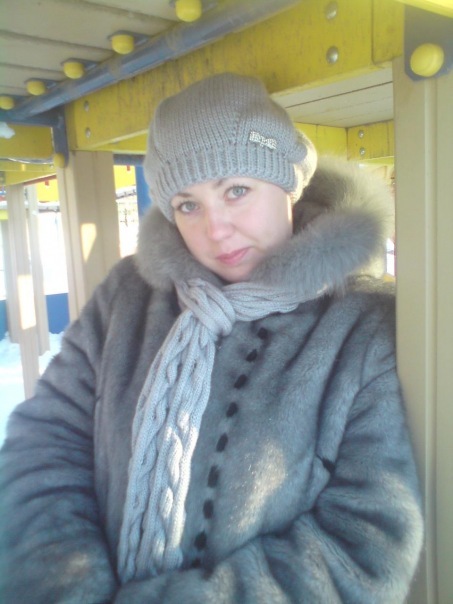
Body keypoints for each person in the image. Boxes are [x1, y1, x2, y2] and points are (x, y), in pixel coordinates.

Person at [0, 73, 423, 603]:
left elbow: (363, 544)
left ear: (288, 183)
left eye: (236, 191)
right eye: (187, 204)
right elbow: (45, 442)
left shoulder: (366, 327)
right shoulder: (127, 297)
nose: (215, 230)